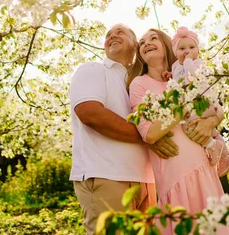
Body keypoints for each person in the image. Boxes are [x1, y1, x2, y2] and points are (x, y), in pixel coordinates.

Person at [69, 24, 179, 235]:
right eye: (108, 35)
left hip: (147, 181)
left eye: (120, 32)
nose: (112, 36)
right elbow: (89, 112)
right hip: (106, 176)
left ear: (136, 45)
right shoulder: (93, 70)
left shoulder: (140, 83)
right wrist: (148, 137)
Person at [128, 28, 229, 235]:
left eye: (153, 38)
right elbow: (149, 133)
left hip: (203, 168)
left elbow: (215, 106)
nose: (146, 43)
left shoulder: (184, 75)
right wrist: (183, 102)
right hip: (174, 175)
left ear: (168, 45)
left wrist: (211, 122)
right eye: (142, 42)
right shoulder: (139, 84)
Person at [170, 26, 229, 177]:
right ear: (175, 52)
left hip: (202, 101)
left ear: (198, 50)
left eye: (192, 47)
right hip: (192, 105)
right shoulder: (175, 66)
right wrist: (169, 74)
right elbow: (176, 79)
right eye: (182, 48)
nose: (187, 51)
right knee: (211, 131)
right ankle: (224, 157)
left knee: (190, 127)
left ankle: (213, 146)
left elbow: (193, 75)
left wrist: (187, 61)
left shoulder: (197, 63)